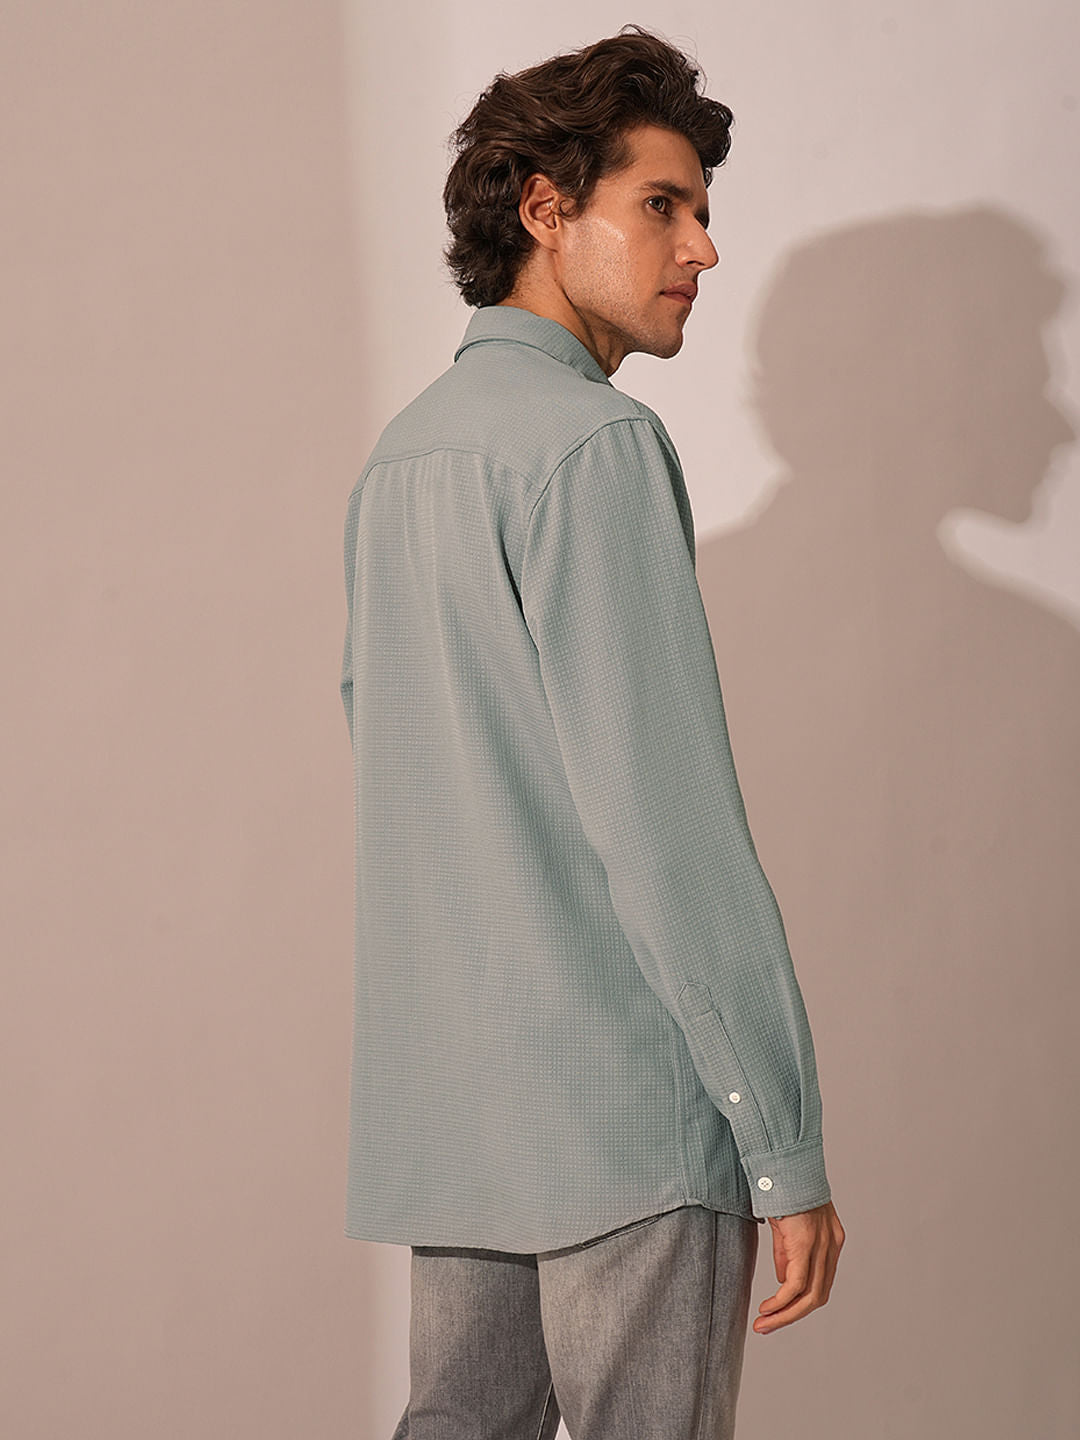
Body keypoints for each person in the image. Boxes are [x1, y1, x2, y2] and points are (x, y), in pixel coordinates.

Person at [339, 23, 845, 1440]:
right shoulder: (595, 448)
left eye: (703, 211)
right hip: (626, 1122)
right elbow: (671, 834)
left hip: (457, 1116)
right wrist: (782, 1141)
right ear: (545, 210)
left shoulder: (401, 461)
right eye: (662, 205)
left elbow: (403, 791)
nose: (702, 247)